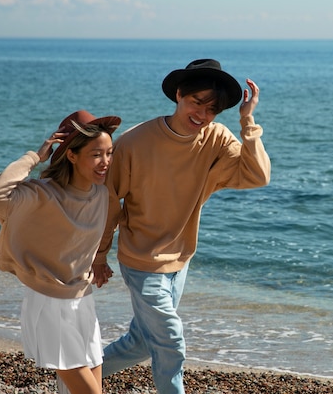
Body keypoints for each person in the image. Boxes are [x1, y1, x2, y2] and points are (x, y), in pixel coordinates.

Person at [92, 58, 271, 393]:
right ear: (178, 95)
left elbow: (258, 175)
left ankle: (77, 378)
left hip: (181, 261)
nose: (202, 115)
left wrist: (248, 122)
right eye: (196, 103)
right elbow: (108, 202)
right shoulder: (134, 143)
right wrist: (99, 256)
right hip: (142, 262)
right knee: (170, 344)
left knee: (142, 343)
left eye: (212, 109)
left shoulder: (216, 138)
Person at [0, 110, 121, 394]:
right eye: (97, 154)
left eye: (109, 153)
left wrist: (100, 258)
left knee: (92, 387)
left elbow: (107, 227)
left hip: (83, 299)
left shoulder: (101, 194)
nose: (105, 162)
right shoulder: (41, 194)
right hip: (49, 304)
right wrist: (36, 156)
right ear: (71, 155)